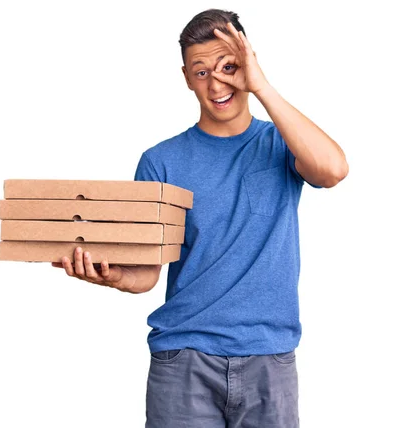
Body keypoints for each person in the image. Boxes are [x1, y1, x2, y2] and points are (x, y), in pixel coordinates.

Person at [53, 8, 348, 427]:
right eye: (202, 71)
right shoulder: (160, 162)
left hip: (270, 357)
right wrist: (111, 276)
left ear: (248, 63)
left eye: (229, 66)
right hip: (184, 360)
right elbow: (147, 275)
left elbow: (333, 170)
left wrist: (261, 85)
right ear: (187, 78)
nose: (217, 83)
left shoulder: (282, 144)